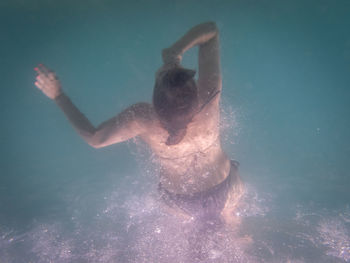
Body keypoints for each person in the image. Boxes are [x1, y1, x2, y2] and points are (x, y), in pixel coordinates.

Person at [34, 22, 244, 224]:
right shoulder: (209, 96)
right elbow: (211, 31)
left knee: (189, 229)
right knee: (230, 220)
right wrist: (175, 51)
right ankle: (234, 230)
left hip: (180, 202)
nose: (172, 69)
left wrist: (58, 95)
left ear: (155, 100)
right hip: (224, 187)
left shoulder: (142, 118)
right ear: (194, 94)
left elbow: (95, 139)